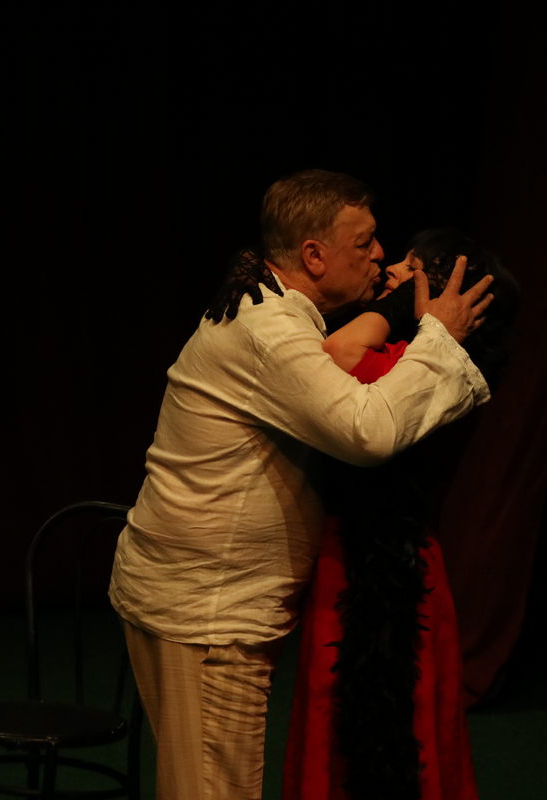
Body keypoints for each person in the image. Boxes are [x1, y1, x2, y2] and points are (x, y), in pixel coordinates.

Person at [108, 170, 495, 800]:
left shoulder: (272, 310)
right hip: (208, 615)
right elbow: (367, 431)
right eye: (364, 242)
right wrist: (440, 337)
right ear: (314, 255)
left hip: (197, 601)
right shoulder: (271, 332)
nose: (380, 254)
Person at [218, 229, 518, 800]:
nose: (390, 273)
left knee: (398, 732)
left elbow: (340, 356)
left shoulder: (438, 368)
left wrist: (407, 309)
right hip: (347, 559)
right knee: (341, 726)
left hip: (394, 572)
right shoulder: (415, 355)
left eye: (410, 269)